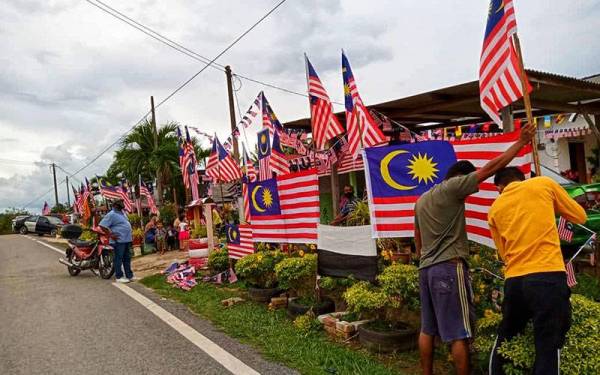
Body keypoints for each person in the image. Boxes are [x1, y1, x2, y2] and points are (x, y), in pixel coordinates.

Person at [414, 123, 535, 375]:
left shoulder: (422, 199)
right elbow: (491, 167)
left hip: (425, 269)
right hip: (448, 267)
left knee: (428, 329)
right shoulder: (453, 187)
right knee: (459, 331)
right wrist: (521, 143)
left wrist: (425, 259)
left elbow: (418, 239)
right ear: (461, 178)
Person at [487, 167, 586, 374]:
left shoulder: (495, 208)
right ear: (521, 179)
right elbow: (579, 216)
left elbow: (504, 254)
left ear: (500, 188)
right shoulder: (543, 184)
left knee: (506, 338)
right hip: (547, 276)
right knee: (548, 344)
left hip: (514, 281)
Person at [99, 199, 134, 283]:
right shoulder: (111, 214)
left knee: (127, 258)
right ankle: (119, 276)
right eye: (120, 203)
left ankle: (129, 275)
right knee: (118, 258)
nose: (122, 204)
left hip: (126, 240)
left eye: (122, 202)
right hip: (118, 241)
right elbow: (102, 225)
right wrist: (110, 235)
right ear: (115, 205)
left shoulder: (122, 213)